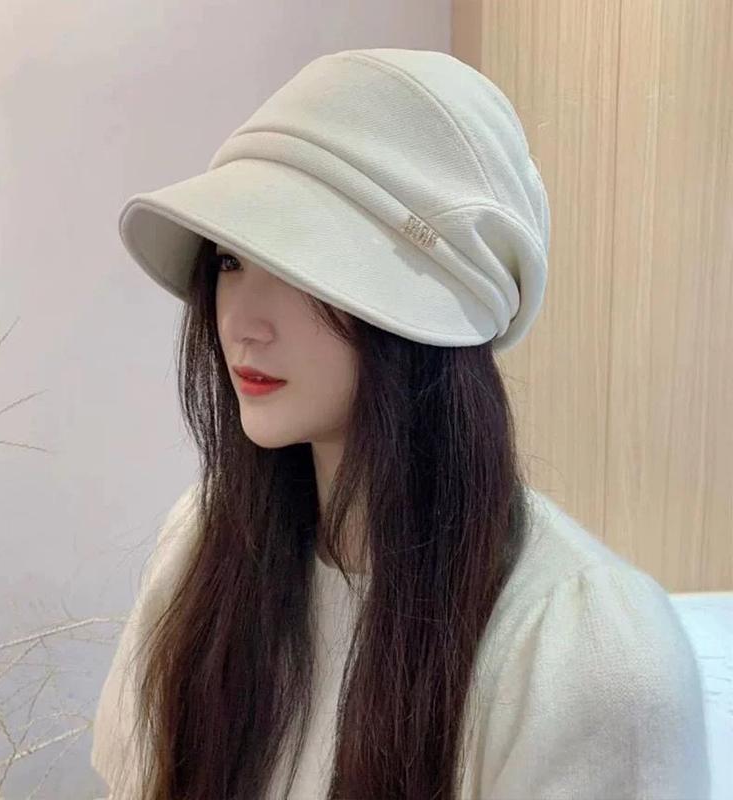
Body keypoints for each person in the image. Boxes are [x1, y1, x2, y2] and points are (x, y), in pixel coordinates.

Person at [91, 48, 710, 800]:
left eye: (298, 265)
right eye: (229, 260)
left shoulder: (589, 655)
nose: (241, 324)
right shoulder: (204, 545)